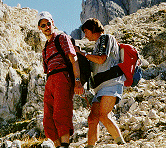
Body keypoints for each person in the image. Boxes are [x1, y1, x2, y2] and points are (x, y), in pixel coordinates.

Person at [75, 18, 126, 147]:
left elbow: (102, 59)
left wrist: (82, 53)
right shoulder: (98, 44)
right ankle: (90, 146)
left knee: (103, 115)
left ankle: (121, 144)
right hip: (100, 88)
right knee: (92, 118)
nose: (85, 36)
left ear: (93, 29)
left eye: (86, 31)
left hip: (111, 83)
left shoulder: (105, 38)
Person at [37, 11, 84, 148]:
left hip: (62, 77)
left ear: (53, 23)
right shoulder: (45, 48)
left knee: (61, 113)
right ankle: (58, 145)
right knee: (47, 119)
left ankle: (65, 145)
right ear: (39, 28)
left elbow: (73, 59)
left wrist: (77, 81)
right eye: (43, 25)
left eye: (48, 23)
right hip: (50, 80)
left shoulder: (62, 38)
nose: (47, 27)